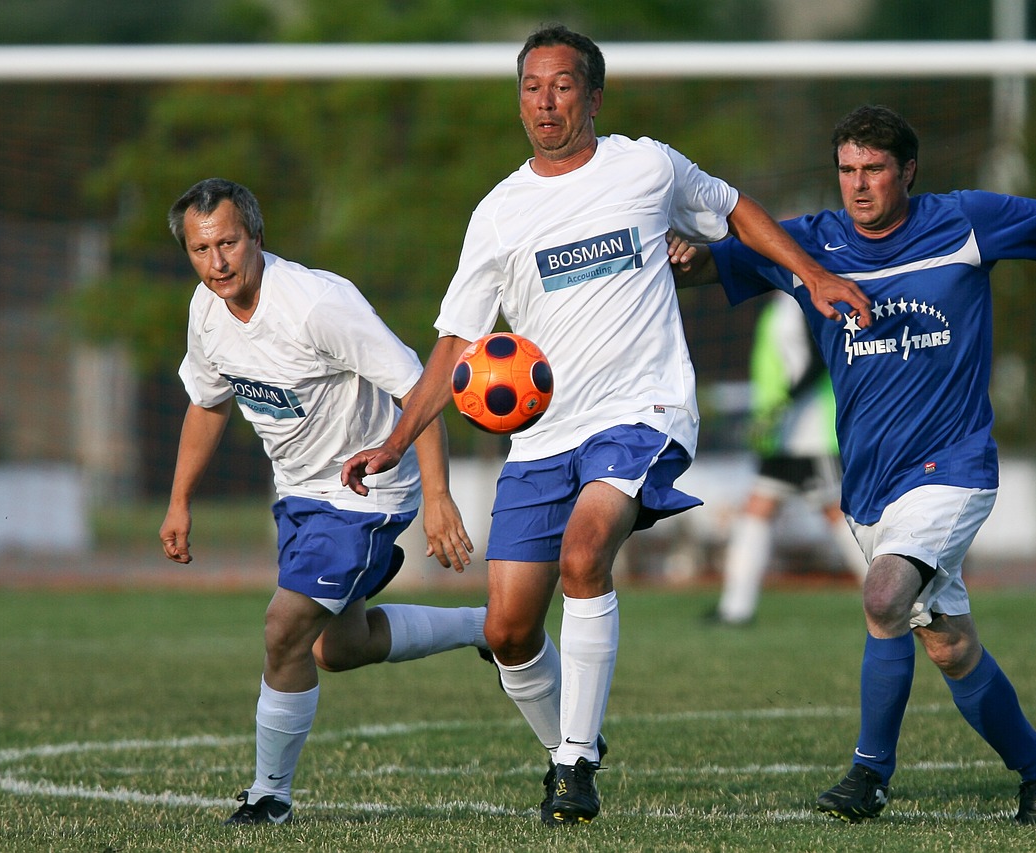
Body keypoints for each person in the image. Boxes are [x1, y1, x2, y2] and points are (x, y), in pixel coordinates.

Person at [341, 25, 870, 827]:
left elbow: (734, 210)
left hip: (642, 409)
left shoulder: (645, 165)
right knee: (510, 628)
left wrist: (813, 273)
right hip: (544, 435)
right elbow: (454, 344)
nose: (544, 102)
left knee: (587, 553)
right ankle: (571, 741)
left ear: (594, 96)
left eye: (561, 86)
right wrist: (393, 437)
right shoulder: (498, 213)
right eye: (530, 87)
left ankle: (575, 765)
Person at [671, 104, 1036, 825]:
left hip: (953, 467)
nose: (859, 186)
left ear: (908, 171)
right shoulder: (811, 243)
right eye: (847, 171)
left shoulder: (964, 222)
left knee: (883, 595)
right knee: (950, 647)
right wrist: (686, 257)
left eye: (874, 170)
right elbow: (715, 266)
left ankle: (869, 777)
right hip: (871, 485)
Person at [160, 178, 490, 826]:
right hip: (299, 495)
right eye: (200, 249)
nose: (217, 262)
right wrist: (178, 500)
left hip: (367, 486)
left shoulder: (316, 303)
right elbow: (207, 402)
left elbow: (417, 386)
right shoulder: (206, 311)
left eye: (227, 242)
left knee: (283, 626)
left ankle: (269, 795)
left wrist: (439, 495)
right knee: (337, 648)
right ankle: (484, 625)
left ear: (255, 235)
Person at [707, 291, 866, 627]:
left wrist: (783, 404)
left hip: (811, 434)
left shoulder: (804, 302)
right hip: (782, 436)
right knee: (756, 510)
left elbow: (819, 359)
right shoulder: (778, 304)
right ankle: (735, 610)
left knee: (839, 515)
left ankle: (894, 597)